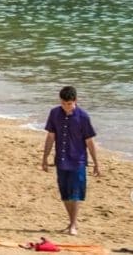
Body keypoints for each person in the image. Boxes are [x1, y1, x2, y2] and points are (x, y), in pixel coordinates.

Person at [41, 85, 99, 236]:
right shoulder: (54, 113)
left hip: (78, 160)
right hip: (61, 159)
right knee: (65, 193)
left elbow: (89, 141)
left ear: (75, 101)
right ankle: (71, 221)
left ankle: (73, 224)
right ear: (60, 101)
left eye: (69, 104)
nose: (66, 107)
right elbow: (51, 136)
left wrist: (96, 164)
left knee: (76, 193)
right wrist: (45, 158)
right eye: (64, 104)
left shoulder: (83, 117)